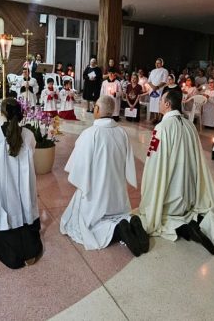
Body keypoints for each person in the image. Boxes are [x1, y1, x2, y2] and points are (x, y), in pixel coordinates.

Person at [139, 90, 214, 255]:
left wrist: (149, 186)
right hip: (190, 195)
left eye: (162, 100)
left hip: (170, 196)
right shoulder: (189, 124)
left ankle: (187, 229)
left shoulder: (162, 127)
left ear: (168, 104)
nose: (161, 103)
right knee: (193, 212)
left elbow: (154, 159)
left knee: (165, 217)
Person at [60, 96, 148, 256]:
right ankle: (128, 221)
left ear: (98, 110)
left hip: (96, 194)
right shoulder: (122, 132)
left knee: (79, 223)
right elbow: (128, 162)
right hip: (117, 194)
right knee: (120, 213)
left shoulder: (90, 134)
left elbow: (78, 168)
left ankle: (117, 229)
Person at [0, 98, 43, 269]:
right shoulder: (28, 135)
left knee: (2, 211)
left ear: (2, 113)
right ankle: (28, 248)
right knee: (24, 210)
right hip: (23, 190)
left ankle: (10, 247)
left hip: (1, 190)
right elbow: (31, 154)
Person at [147, 58, 169, 123]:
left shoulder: (164, 70)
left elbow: (164, 81)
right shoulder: (153, 71)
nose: (157, 64)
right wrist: (153, 87)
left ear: (162, 63)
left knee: (159, 103)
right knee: (153, 104)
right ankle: (155, 117)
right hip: (153, 90)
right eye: (156, 63)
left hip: (160, 90)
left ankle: (160, 118)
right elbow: (149, 81)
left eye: (158, 63)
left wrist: (157, 87)